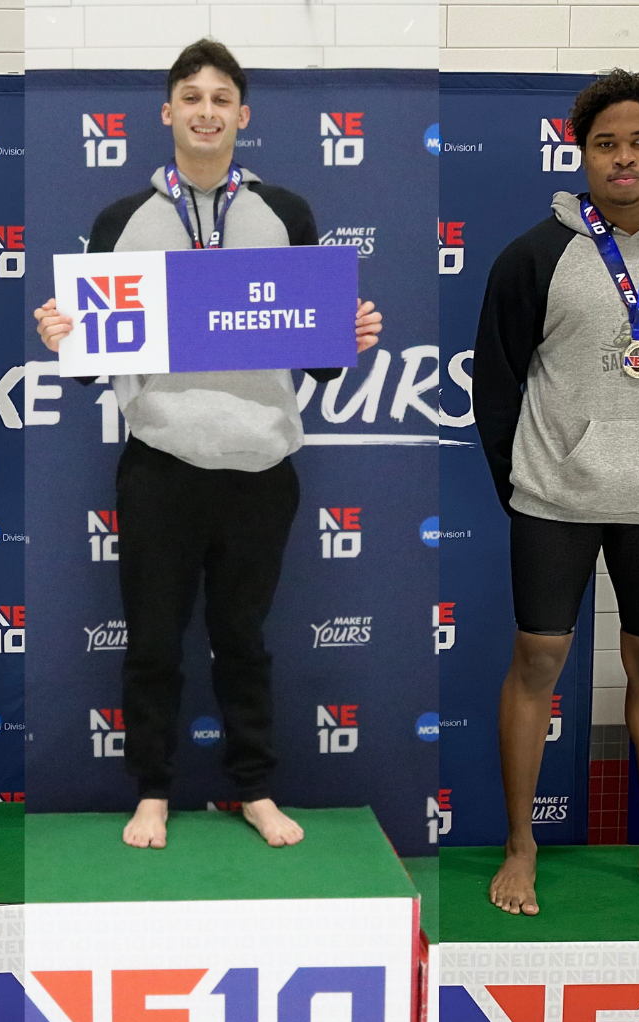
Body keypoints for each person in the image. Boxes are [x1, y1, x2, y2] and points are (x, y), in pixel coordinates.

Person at [34, 39, 383, 851]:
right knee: (153, 641)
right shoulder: (121, 221)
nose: (205, 110)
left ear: (243, 116)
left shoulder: (285, 212)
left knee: (245, 641)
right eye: (190, 96)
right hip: (160, 465)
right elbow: (94, 365)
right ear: (167, 113)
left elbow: (319, 353)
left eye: (221, 97)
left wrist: (349, 334)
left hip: (261, 465)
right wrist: (65, 337)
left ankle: (253, 789)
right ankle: (152, 790)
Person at [473, 69, 639, 917]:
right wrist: (527, 487)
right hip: (555, 499)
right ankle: (522, 847)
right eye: (605, 144)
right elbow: (496, 386)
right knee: (539, 661)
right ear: (580, 152)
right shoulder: (534, 255)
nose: (623, 159)